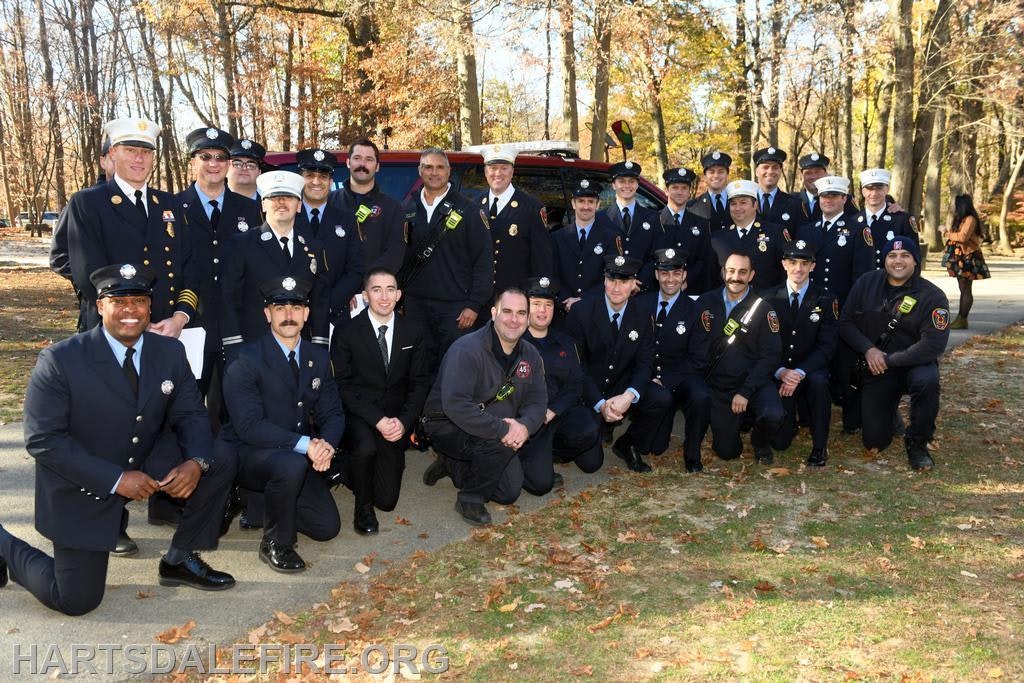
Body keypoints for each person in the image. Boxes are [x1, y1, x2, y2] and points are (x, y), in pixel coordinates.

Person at [0, 264, 237, 615]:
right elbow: (43, 440)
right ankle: (4, 545)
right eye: (119, 301)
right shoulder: (61, 360)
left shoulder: (168, 352)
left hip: (142, 454)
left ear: (150, 306)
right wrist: (116, 480)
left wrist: (196, 462)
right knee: (76, 600)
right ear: (99, 306)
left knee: (220, 457)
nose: (130, 310)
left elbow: (190, 414)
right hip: (84, 477)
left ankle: (179, 557)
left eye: (139, 301)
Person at [216, 276, 343, 572]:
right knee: (291, 465)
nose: (288, 315)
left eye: (296, 308)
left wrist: (327, 445)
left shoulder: (318, 358)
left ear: (306, 315)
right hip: (248, 453)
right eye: (280, 307)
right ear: (267, 314)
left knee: (326, 527)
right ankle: (276, 542)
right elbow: (248, 426)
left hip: (293, 455)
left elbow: (333, 413)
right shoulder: (245, 359)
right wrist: (307, 445)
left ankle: (256, 501)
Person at [55, 117, 199, 336]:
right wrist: (137, 321)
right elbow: (88, 273)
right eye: (130, 150)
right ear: (113, 154)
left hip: (167, 329)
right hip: (113, 328)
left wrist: (180, 318)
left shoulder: (170, 204)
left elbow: (190, 267)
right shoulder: (88, 203)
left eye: (146, 152)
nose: (139, 158)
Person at [420, 288, 548, 526]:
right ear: (493, 313)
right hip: (448, 425)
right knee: (499, 447)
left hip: (493, 428)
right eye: (507, 311)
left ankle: (453, 464)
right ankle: (469, 498)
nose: (514, 319)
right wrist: (504, 431)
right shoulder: (466, 349)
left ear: (528, 318)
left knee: (508, 493)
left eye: (521, 313)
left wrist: (525, 427)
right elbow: (456, 406)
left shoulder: (530, 354)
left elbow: (538, 401)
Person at [332, 268, 430, 535]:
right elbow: (342, 385)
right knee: (365, 449)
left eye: (390, 290)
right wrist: (377, 419)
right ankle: (362, 509)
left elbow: (420, 382)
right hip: (360, 413)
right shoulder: (346, 332)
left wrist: (404, 421)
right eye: (376, 290)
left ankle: (346, 469)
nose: (384, 296)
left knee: (387, 500)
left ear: (399, 295)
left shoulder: (414, 331)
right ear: (365, 296)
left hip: (397, 417)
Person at [175, 127, 262, 425]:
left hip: (236, 323)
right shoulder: (172, 208)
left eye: (220, 158)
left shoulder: (251, 211)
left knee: (234, 405)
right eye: (205, 156)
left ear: (228, 163)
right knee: (186, 404)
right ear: (193, 161)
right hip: (190, 322)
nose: (213, 163)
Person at [841, 237, 950, 470]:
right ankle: (889, 412)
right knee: (874, 441)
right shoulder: (866, 283)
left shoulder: (933, 296)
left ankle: (918, 443)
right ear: (884, 260)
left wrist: (889, 360)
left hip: (914, 365)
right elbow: (846, 323)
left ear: (915, 261)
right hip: (877, 367)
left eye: (905, 256)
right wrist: (868, 350)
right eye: (892, 255)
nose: (897, 261)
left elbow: (933, 345)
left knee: (928, 381)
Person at [564, 255, 674, 473]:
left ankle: (627, 443)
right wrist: (600, 404)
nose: (616, 287)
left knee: (661, 398)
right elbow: (576, 367)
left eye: (624, 281)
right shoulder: (582, 312)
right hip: (589, 392)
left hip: (621, 385)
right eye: (612, 279)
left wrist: (629, 396)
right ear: (604, 280)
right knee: (591, 464)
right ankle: (599, 426)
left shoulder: (643, 314)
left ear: (634, 284)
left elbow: (645, 362)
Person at [220, 170, 330, 356]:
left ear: (299, 206)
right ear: (263, 204)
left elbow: (320, 301)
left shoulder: (314, 248)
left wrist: (319, 344)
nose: (281, 202)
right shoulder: (241, 244)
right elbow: (228, 298)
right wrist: (234, 348)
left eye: (288, 197)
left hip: (300, 348)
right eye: (273, 197)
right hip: (253, 348)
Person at [399, 148, 493, 360]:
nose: (434, 172)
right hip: (415, 307)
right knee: (418, 368)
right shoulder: (406, 207)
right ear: (419, 171)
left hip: (456, 310)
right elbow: (398, 256)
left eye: (440, 167)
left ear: (449, 171)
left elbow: (484, 261)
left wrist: (474, 304)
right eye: (428, 167)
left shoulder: (468, 210)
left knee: (455, 367)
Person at [691, 252, 785, 464]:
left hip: (753, 382)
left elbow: (771, 356)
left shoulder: (763, 309)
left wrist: (745, 391)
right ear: (724, 272)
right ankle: (738, 422)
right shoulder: (706, 302)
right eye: (731, 271)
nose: (736, 277)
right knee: (727, 452)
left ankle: (760, 442)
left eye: (743, 272)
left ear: (751, 275)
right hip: (719, 386)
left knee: (773, 414)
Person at [519, 276, 602, 485]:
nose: (542, 311)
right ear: (526, 307)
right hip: (529, 420)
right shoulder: (514, 343)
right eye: (536, 304)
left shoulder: (566, 343)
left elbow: (576, 383)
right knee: (541, 485)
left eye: (548, 305)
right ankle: (529, 459)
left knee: (593, 461)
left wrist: (553, 410)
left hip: (558, 413)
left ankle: (552, 454)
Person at [765, 241, 839, 466]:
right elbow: (762, 346)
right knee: (780, 443)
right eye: (793, 262)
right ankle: (791, 423)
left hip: (809, 369)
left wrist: (798, 372)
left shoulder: (826, 299)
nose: (799, 268)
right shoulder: (768, 299)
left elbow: (827, 346)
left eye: (804, 263)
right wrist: (780, 372)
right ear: (784, 264)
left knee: (819, 384)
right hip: (778, 371)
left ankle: (819, 446)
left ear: (813, 266)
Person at [636, 248, 710, 472]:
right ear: (657, 274)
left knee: (701, 396)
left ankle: (693, 454)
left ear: (684, 275)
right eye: (665, 273)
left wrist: (665, 379)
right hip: (646, 374)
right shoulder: (640, 305)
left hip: (680, 374)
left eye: (676, 273)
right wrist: (651, 378)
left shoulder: (696, 310)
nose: (670, 279)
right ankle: (634, 438)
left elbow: (698, 359)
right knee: (654, 448)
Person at [293, 148, 365, 330]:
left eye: (323, 177)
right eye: (309, 175)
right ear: (300, 180)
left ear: (331, 182)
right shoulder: (287, 218)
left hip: (335, 314)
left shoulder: (347, 221)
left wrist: (330, 303)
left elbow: (356, 269)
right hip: (293, 313)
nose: (316, 181)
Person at [478, 144, 554, 296]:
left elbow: (541, 261)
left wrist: (536, 297)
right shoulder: (474, 205)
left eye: (504, 168)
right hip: (479, 301)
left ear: (512, 171)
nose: (498, 173)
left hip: (516, 300)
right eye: (492, 168)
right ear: (486, 171)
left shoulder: (532, 208)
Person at [328, 137, 407, 275]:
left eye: (369, 159)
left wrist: (370, 283)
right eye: (357, 158)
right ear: (348, 162)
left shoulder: (393, 208)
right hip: (334, 290)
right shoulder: (329, 202)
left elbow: (395, 253)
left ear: (377, 166)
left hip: (373, 291)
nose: (362, 164)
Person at [795, 175, 872, 307]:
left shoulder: (858, 230)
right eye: (824, 196)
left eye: (834, 196)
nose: (828, 200)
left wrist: (854, 306)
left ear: (844, 199)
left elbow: (863, 275)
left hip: (841, 303)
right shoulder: (805, 231)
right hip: (808, 302)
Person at [710, 179, 788, 290]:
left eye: (743, 203)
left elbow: (785, 272)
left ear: (755, 204)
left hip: (766, 302)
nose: (737, 208)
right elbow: (711, 278)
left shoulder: (775, 233)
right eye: (733, 204)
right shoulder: (717, 238)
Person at [551, 178, 615, 311]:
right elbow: (552, 274)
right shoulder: (557, 237)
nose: (586, 206)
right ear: (573, 204)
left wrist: (582, 300)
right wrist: (566, 299)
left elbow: (612, 276)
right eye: (581, 201)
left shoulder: (610, 237)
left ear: (598, 205)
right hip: (564, 309)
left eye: (591, 202)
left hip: (596, 308)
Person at [604, 161, 663, 290]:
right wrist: (620, 283)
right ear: (613, 185)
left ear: (637, 185)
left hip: (642, 290)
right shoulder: (601, 218)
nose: (627, 185)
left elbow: (657, 255)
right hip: (611, 290)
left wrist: (638, 281)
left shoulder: (653, 218)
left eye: (631, 181)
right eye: (622, 181)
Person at [659, 167, 713, 294]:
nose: (680, 192)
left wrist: (685, 281)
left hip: (690, 289)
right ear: (666, 190)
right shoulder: (654, 221)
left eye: (684, 188)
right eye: (675, 188)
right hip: (659, 290)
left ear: (689, 192)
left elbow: (703, 260)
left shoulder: (701, 223)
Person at [942, 193, 991, 329]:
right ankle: (961, 318)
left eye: (957, 205)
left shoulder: (970, 219)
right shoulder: (962, 219)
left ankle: (962, 319)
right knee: (963, 288)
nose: (955, 208)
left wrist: (945, 233)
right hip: (959, 257)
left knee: (965, 289)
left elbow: (962, 237)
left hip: (968, 257)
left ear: (962, 206)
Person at [855, 168, 916, 269]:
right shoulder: (853, 221)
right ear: (863, 191)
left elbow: (914, 258)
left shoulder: (902, 220)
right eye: (869, 189)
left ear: (887, 189)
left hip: (892, 281)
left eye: (879, 188)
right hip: (861, 283)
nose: (874, 193)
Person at [753, 146, 801, 235]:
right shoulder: (746, 202)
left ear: (780, 171)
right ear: (756, 171)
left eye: (775, 167)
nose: (770, 171)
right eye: (765, 167)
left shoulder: (795, 204)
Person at [688, 150, 732, 234]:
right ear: (705, 176)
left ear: (727, 175)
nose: (716, 175)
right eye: (711, 172)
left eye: (721, 172)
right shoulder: (692, 207)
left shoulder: (739, 202)